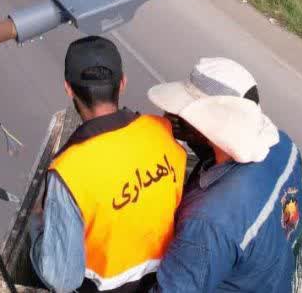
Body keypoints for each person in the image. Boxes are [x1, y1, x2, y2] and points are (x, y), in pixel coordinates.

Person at [29, 36, 187, 293]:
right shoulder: (161, 132)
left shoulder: (69, 172)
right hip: (167, 279)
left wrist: (36, 225)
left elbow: (61, 278)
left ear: (68, 88)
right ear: (122, 83)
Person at [148, 58, 302, 293]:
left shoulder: (209, 222)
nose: (176, 119)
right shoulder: (285, 147)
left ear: (212, 126)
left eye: (187, 117)